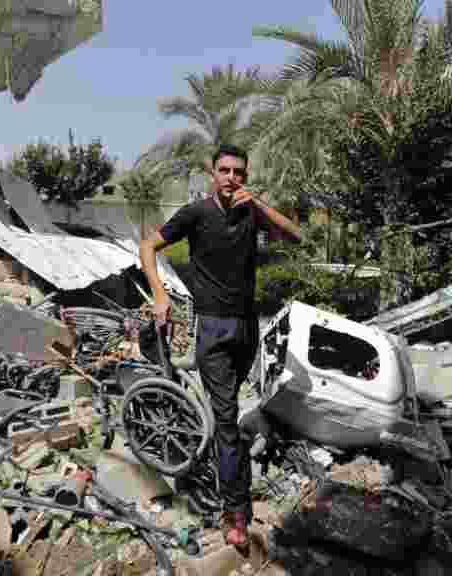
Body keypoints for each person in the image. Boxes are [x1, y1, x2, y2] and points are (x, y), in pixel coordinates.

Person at [139, 144, 302, 548]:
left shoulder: (251, 211)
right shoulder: (196, 213)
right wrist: (160, 296)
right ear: (213, 174)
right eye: (225, 171)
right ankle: (236, 513)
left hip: (247, 327)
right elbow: (147, 246)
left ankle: (225, 468)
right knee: (227, 418)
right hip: (211, 328)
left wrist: (260, 205)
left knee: (228, 410)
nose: (232, 178)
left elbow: (296, 236)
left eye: (239, 172)